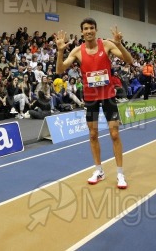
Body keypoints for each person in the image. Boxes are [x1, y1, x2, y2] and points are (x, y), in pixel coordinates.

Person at [55, 17, 133, 189]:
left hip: (108, 97)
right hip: (90, 99)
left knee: (114, 134)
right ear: (82, 32)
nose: (88, 31)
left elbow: (130, 61)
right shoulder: (77, 51)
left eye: (91, 28)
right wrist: (60, 51)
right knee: (92, 135)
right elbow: (59, 70)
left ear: (95, 30)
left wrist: (119, 45)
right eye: (85, 28)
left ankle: (120, 173)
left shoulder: (106, 45)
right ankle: (99, 170)